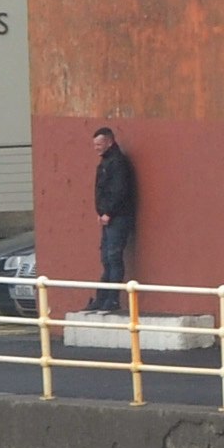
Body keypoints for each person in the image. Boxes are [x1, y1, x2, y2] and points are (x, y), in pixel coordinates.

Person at [86, 126, 139, 314]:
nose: (97, 148)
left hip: (117, 218)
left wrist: (108, 212)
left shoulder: (117, 163)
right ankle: (103, 298)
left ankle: (112, 300)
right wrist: (101, 213)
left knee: (113, 258)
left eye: (99, 144)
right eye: (95, 145)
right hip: (109, 217)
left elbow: (119, 191)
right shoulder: (109, 162)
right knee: (107, 259)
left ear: (110, 142)